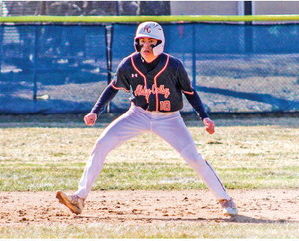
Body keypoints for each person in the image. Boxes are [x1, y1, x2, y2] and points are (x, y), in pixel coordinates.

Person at [56, 22, 238, 216]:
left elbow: (189, 92)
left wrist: (205, 117)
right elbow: (113, 87)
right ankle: (79, 198)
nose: (146, 46)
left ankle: (225, 200)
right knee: (101, 144)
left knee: (194, 158)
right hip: (138, 115)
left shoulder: (173, 65)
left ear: (160, 43)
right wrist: (95, 111)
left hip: (169, 119)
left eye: (151, 42)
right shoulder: (129, 63)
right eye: (142, 41)